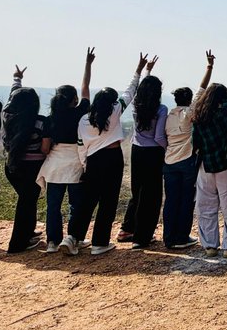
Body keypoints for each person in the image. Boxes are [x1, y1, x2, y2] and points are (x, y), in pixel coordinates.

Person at [67, 54, 149, 256]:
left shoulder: (84, 119)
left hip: (93, 161)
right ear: (112, 102)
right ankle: (99, 242)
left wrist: (85, 164)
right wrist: (139, 69)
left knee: (87, 201)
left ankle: (72, 237)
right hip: (112, 159)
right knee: (108, 201)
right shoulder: (115, 111)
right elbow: (130, 91)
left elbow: (80, 146)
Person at [190, 47, 227, 257]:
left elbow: (194, 143)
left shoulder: (198, 116)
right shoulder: (225, 111)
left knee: (206, 206)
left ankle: (210, 245)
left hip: (205, 165)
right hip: (226, 163)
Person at [37, 48, 94, 254]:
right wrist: (88, 64)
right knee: (75, 205)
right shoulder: (80, 113)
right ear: (74, 100)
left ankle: (52, 241)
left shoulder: (50, 119)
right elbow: (86, 87)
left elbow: (45, 147)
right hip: (75, 162)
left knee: (53, 205)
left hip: (54, 164)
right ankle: (72, 238)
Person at [162, 52, 212, 249]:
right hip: (186, 162)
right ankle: (181, 237)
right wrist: (209, 67)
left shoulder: (168, 116)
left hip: (169, 162)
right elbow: (202, 90)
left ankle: (168, 237)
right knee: (186, 200)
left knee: (171, 200)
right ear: (189, 99)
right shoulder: (186, 115)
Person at [120, 61, 167, 248]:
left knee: (137, 191)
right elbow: (158, 136)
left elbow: (142, 90)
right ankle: (142, 237)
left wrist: (146, 71)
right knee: (152, 195)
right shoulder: (161, 110)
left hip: (136, 150)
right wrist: (167, 148)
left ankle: (127, 229)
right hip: (153, 153)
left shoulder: (136, 107)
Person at [1, 66, 47, 253]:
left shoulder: (7, 116)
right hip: (33, 168)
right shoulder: (40, 122)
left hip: (12, 166)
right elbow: (45, 147)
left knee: (27, 200)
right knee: (27, 202)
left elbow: (14, 95)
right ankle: (18, 243)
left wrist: (16, 78)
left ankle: (28, 232)